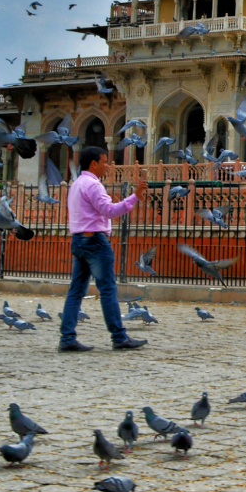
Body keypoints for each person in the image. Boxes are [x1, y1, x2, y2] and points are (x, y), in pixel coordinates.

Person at [60, 145, 146, 352]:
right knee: (107, 289)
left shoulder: (76, 184)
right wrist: (134, 196)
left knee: (76, 291)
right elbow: (109, 211)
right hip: (96, 242)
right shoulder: (93, 185)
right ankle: (119, 337)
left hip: (79, 240)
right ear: (94, 164)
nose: (108, 166)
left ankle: (67, 338)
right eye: (105, 161)